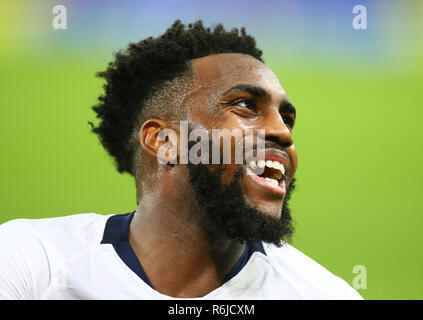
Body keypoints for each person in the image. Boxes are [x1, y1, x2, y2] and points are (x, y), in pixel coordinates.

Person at [0, 21, 362, 300]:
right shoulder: (33, 263)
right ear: (164, 141)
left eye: (287, 119)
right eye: (246, 106)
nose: (284, 133)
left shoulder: (322, 293)